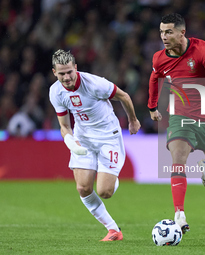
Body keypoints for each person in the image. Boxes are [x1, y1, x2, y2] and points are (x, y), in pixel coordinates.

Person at [148, 13, 205, 234]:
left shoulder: (202, 50)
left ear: (182, 32)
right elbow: (155, 78)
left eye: (168, 32)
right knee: (178, 157)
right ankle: (179, 214)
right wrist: (152, 107)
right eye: (161, 32)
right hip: (179, 115)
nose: (163, 37)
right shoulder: (159, 58)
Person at [49, 49, 141, 241]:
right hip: (84, 138)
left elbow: (123, 96)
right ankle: (113, 230)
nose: (66, 77)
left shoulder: (95, 84)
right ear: (54, 72)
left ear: (76, 68)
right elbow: (64, 126)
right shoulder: (55, 92)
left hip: (109, 136)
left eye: (69, 72)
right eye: (61, 73)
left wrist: (133, 120)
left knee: (104, 192)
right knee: (83, 188)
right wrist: (71, 142)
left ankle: (111, 176)